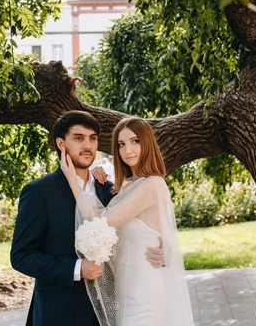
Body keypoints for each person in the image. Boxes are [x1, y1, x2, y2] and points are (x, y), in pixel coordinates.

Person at [11, 111, 164, 326]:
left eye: (92, 138)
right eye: (78, 138)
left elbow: (135, 231)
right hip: (59, 316)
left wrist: (162, 250)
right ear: (61, 144)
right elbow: (21, 256)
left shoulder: (110, 190)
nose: (88, 145)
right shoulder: (39, 192)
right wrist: (77, 268)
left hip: (109, 315)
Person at [61, 116, 194, 326]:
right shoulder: (127, 186)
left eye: (135, 141)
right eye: (121, 144)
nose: (127, 150)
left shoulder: (153, 185)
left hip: (146, 292)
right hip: (126, 289)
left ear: (147, 143)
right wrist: (95, 175)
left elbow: (102, 221)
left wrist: (73, 181)